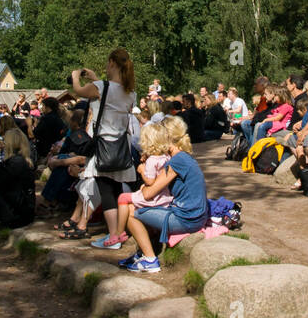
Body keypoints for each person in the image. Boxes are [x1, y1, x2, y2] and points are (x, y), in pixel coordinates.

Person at [62, 49, 139, 250]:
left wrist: (75, 76)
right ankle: (118, 232)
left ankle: (113, 236)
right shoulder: (131, 92)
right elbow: (108, 95)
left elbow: (79, 91)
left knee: (105, 191)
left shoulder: (99, 87)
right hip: (120, 147)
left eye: (107, 63)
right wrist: (96, 79)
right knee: (115, 189)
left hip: (102, 146)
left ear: (112, 62)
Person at [113, 117, 207, 274]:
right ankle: (142, 253)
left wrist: (142, 177)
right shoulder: (182, 156)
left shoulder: (177, 161)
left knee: (130, 210)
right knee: (141, 207)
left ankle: (150, 259)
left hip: (187, 219)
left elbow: (149, 192)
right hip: (194, 215)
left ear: (167, 137)